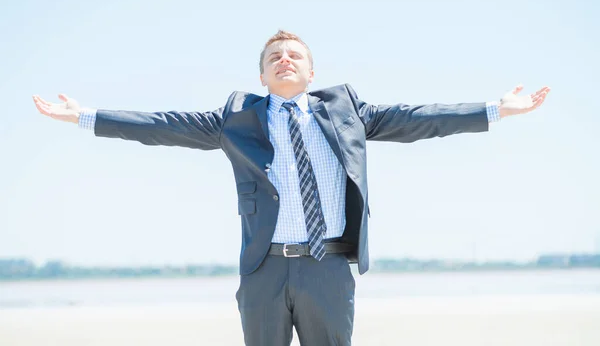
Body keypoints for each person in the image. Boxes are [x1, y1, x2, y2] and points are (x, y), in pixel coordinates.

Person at [32, 30, 550, 345]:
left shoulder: (347, 111)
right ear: (261, 74)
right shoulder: (234, 118)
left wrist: (496, 109)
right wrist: (86, 118)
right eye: (274, 56)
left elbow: (419, 118)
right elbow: (162, 123)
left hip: (329, 265)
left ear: (311, 70)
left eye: (294, 55)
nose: (285, 59)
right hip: (264, 268)